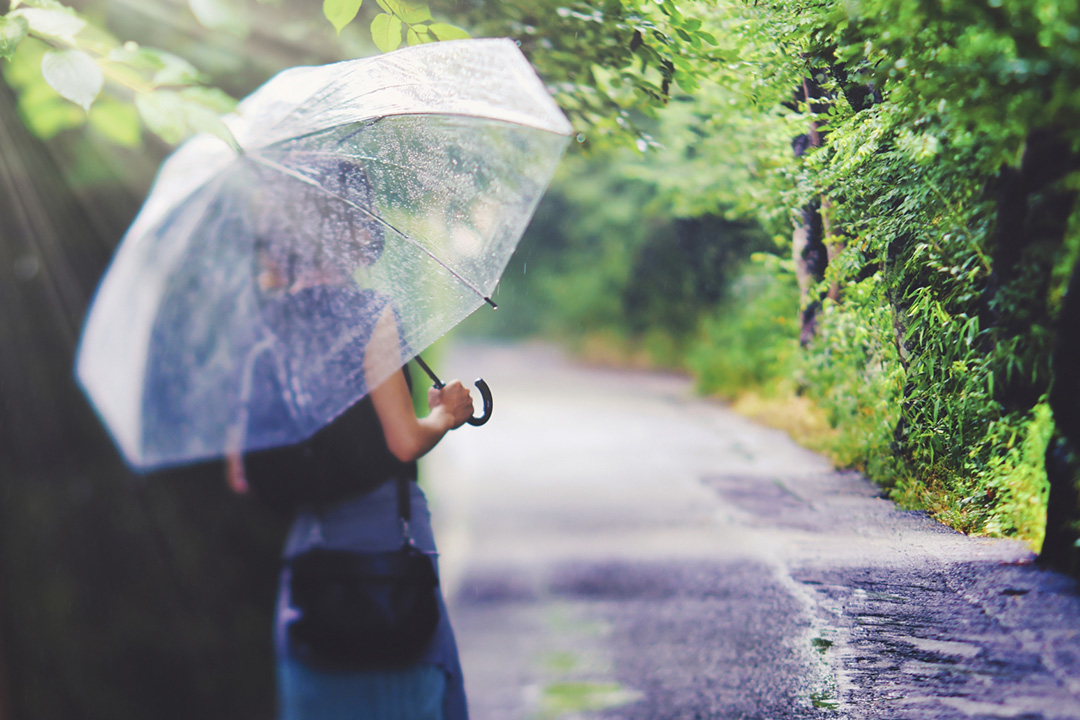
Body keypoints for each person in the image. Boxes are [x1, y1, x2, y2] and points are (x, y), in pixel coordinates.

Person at [225, 157, 474, 719]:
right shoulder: (369, 314)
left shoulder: (265, 329)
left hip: (309, 554)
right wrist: (446, 415)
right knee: (402, 692)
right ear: (350, 228)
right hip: (385, 542)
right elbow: (403, 442)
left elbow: (241, 472)